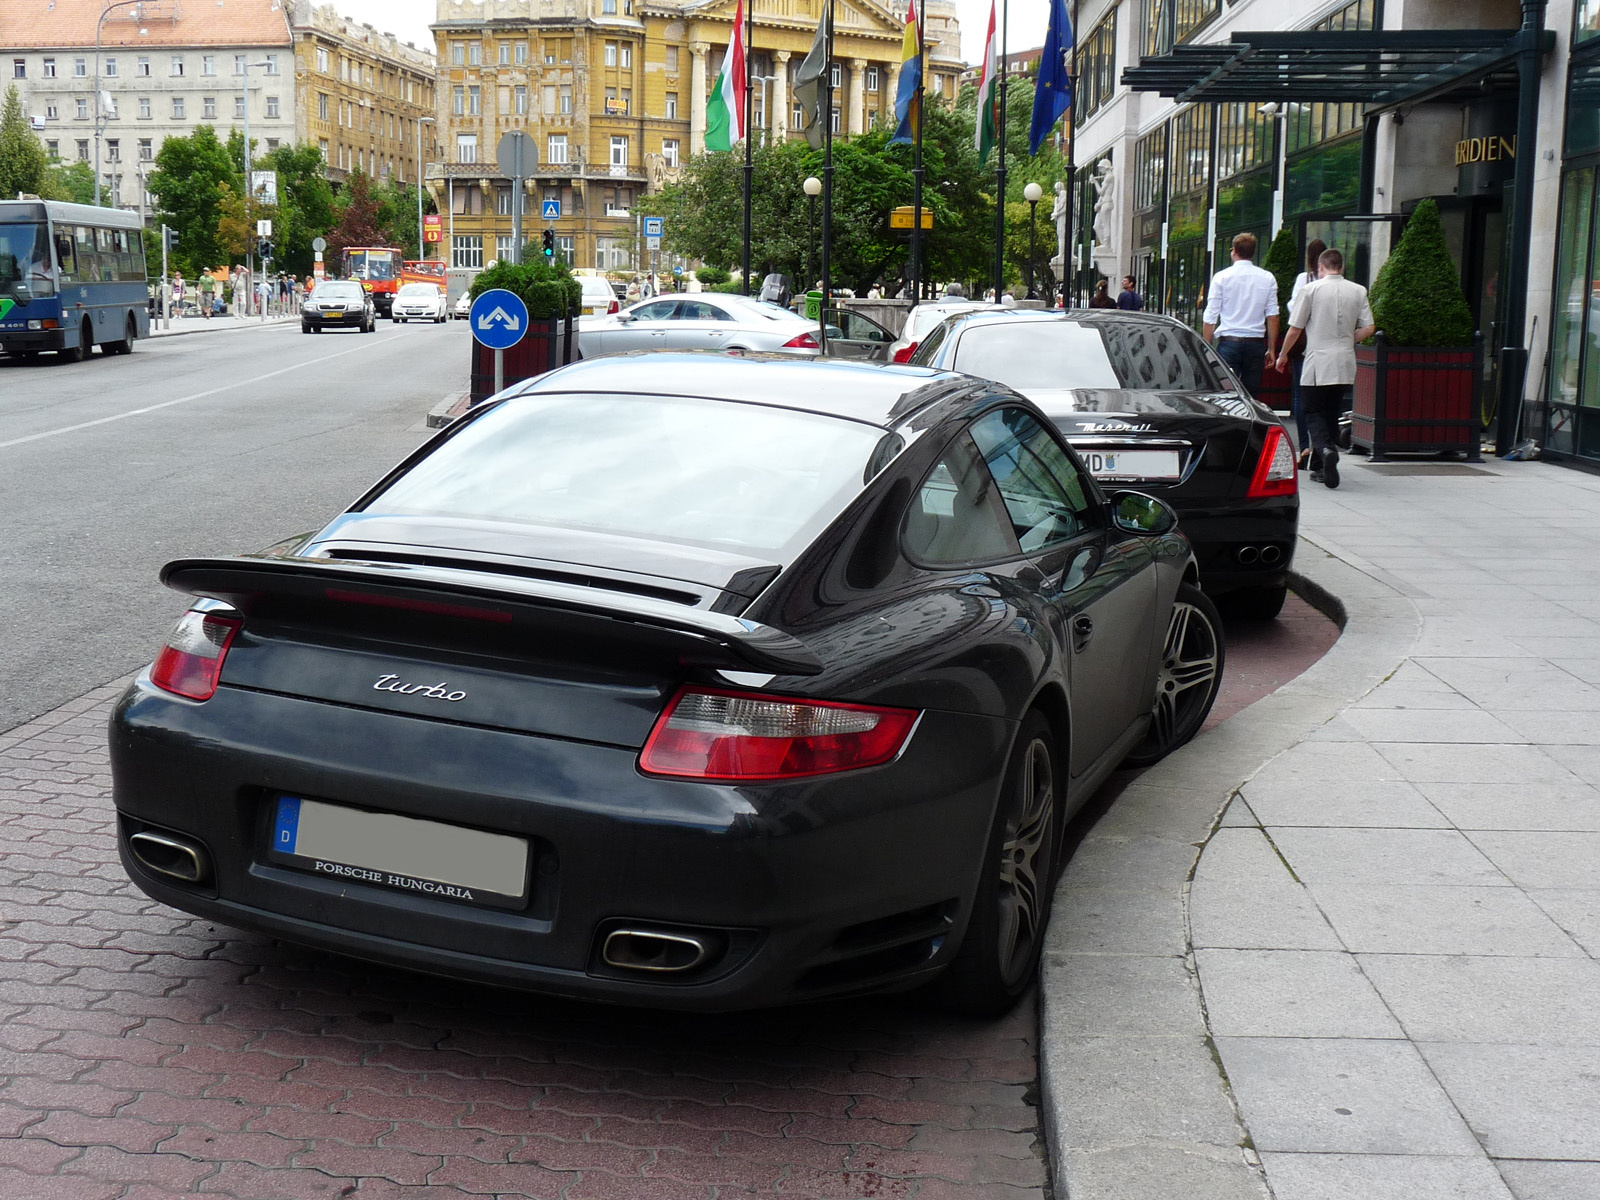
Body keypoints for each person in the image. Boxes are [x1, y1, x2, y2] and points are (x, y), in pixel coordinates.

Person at [1274, 247, 1376, 490]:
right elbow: (1370, 327)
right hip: (1345, 360)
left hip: (1318, 359)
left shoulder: (1310, 290)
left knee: (1311, 410)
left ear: (1321, 267)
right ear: (1341, 267)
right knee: (1330, 410)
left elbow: (1296, 328)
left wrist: (1283, 354)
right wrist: (1348, 338)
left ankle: (1326, 449)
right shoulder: (1358, 290)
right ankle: (1321, 467)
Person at [1202, 232, 1280, 401]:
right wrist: (1272, 349)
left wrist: (1205, 349)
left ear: (1234, 251)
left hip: (1229, 343)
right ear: (1252, 252)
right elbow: (1273, 316)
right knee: (1251, 396)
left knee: (1226, 394)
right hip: (1255, 344)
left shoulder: (1221, 277)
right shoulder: (1267, 278)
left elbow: (1210, 316)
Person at [1286, 238, 1327, 468]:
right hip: (1326, 346)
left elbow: (1293, 307)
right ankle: (1322, 446)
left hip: (1305, 346)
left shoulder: (1305, 279)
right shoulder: (1334, 283)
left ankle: (1304, 446)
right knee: (1323, 398)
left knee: (1301, 396)